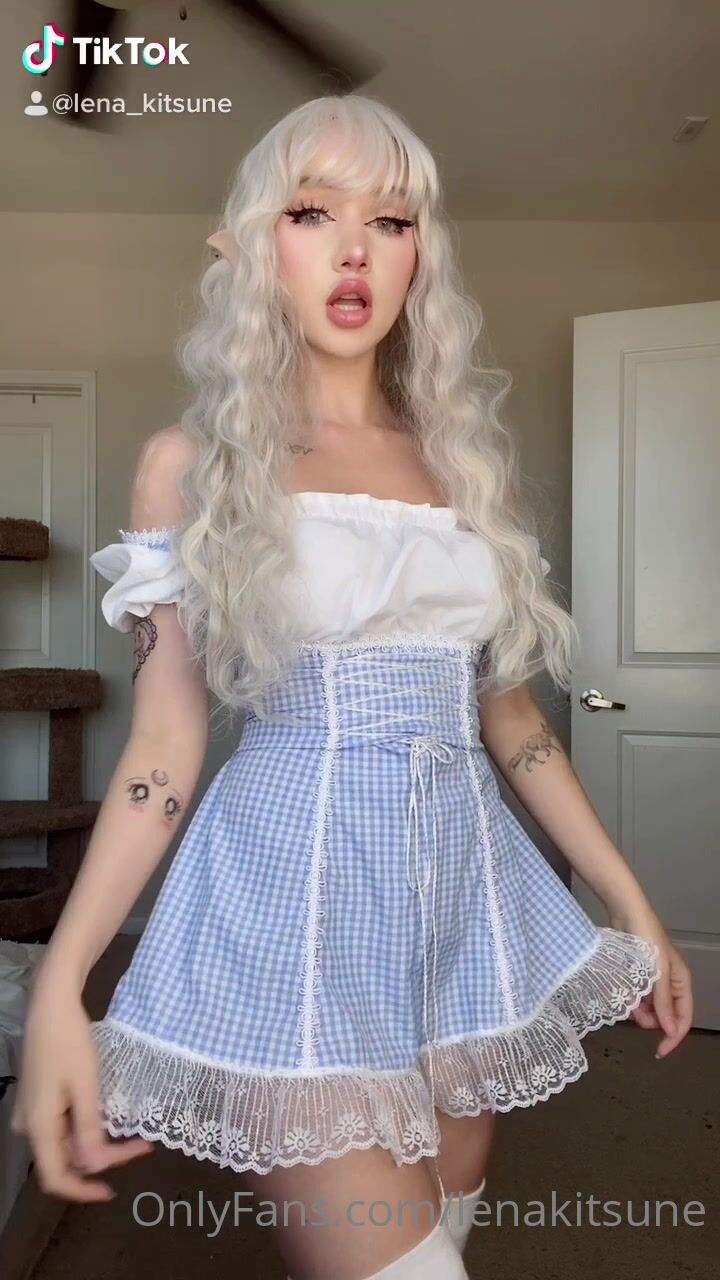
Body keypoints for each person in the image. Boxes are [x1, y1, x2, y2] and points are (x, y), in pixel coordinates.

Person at [12, 93, 693, 1280]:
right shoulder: (192, 467)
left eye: (390, 220)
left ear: (420, 254)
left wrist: (632, 900)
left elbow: (515, 725)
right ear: (254, 245)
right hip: (297, 904)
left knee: (444, 1226)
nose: (353, 251)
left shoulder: (463, 467)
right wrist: (63, 986)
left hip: (464, 911)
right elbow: (164, 745)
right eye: (311, 213)